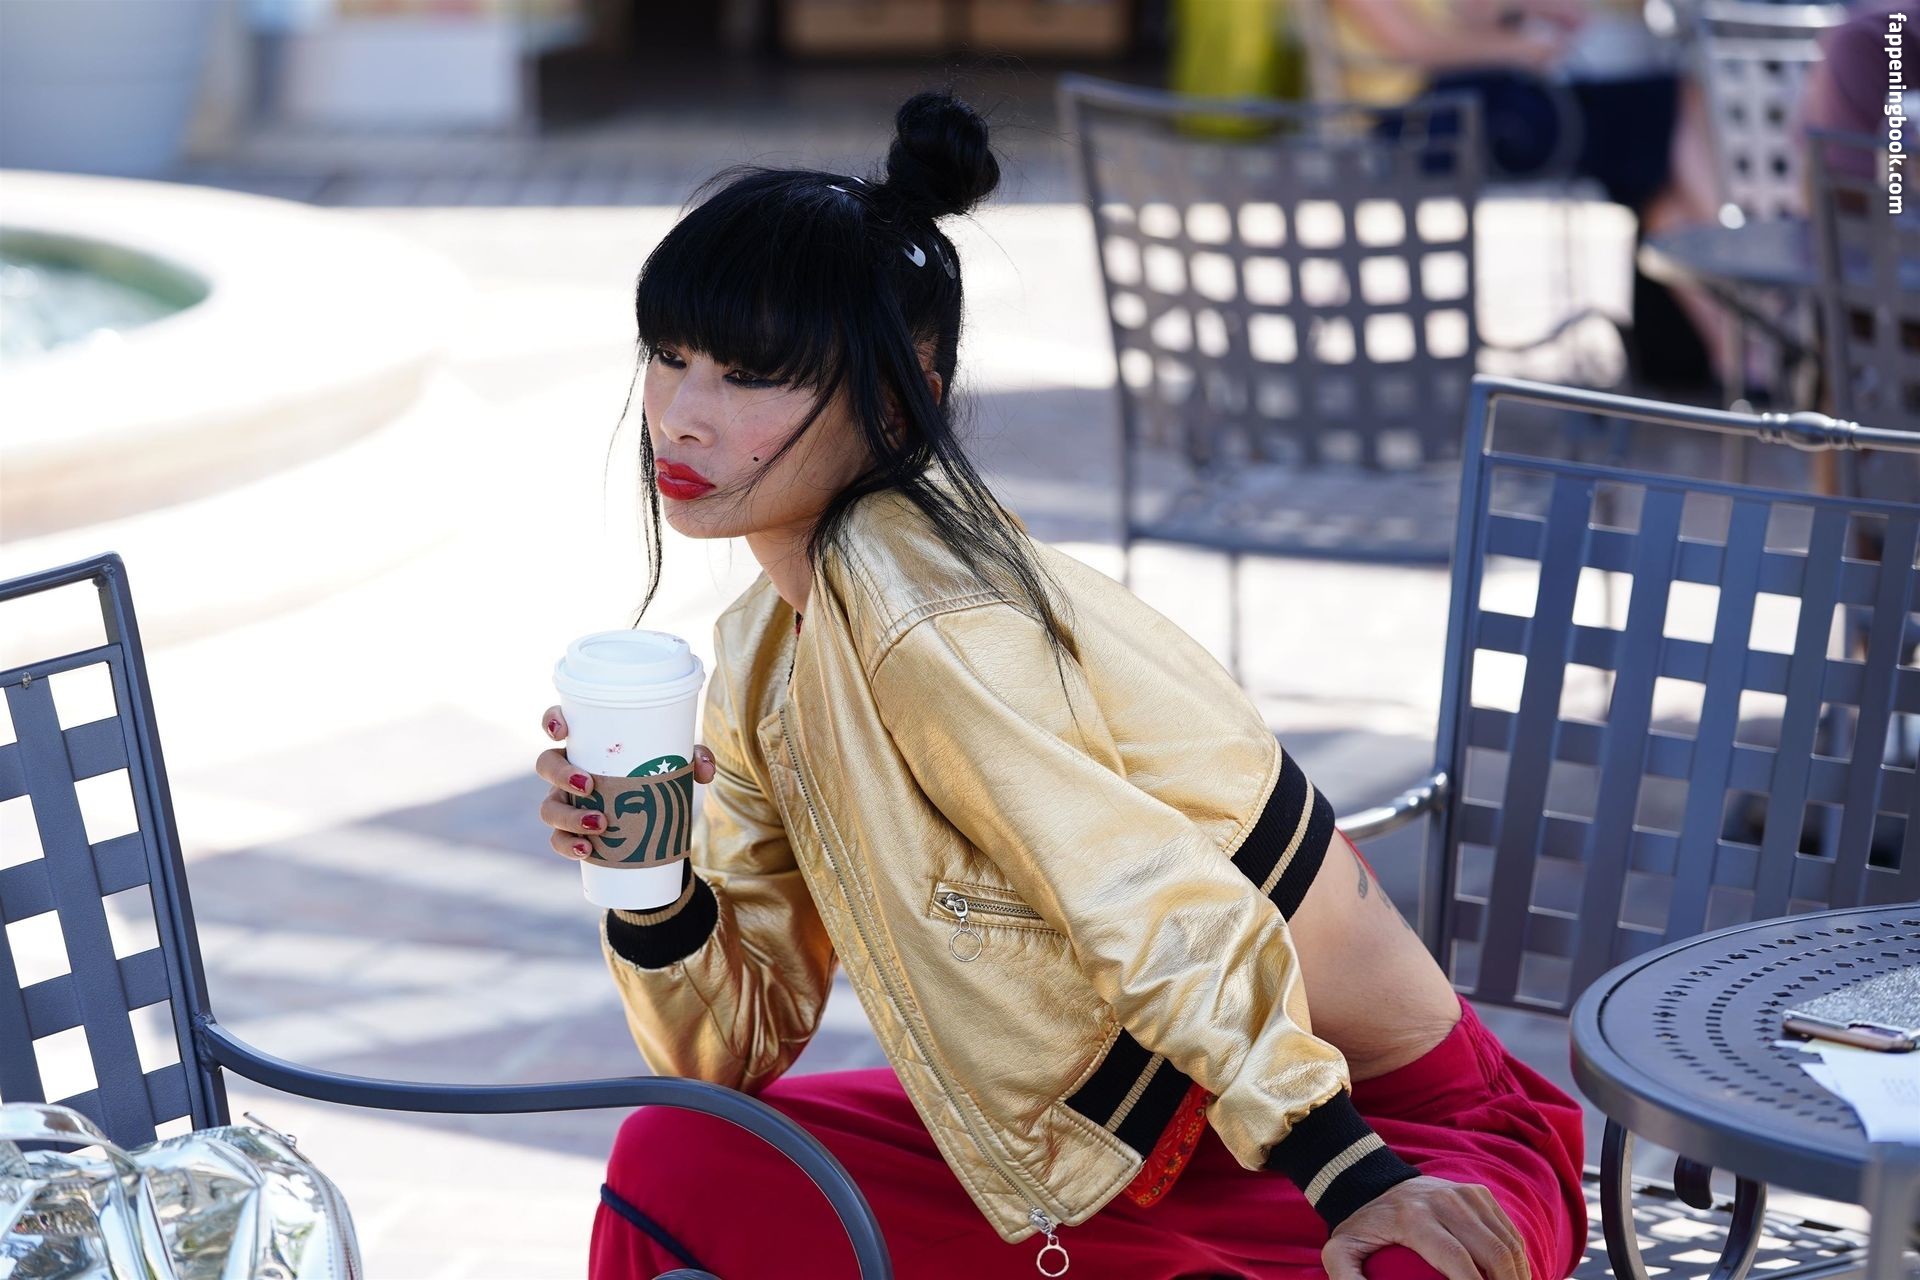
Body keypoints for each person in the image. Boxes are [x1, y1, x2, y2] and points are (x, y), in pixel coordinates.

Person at [535, 89, 1588, 1280]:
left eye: (749, 374)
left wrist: (1354, 1174)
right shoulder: (763, 647)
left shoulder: (926, 610)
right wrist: (651, 881)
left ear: (901, 394)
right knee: (681, 1155)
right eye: (670, 356)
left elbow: (1150, 893)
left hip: (1379, 1129)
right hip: (1106, 1140)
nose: (682, 414)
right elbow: (729, 1055)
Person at [1325, 0, 1727, 393]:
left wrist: (1527, 10)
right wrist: (1515, 49)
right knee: (1660, 120)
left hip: (1469, 100)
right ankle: (1737, 289)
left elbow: (1463, 15)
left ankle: (1733, 353)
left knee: (1658, 163)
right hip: (1421, 125)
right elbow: (1413, 45)